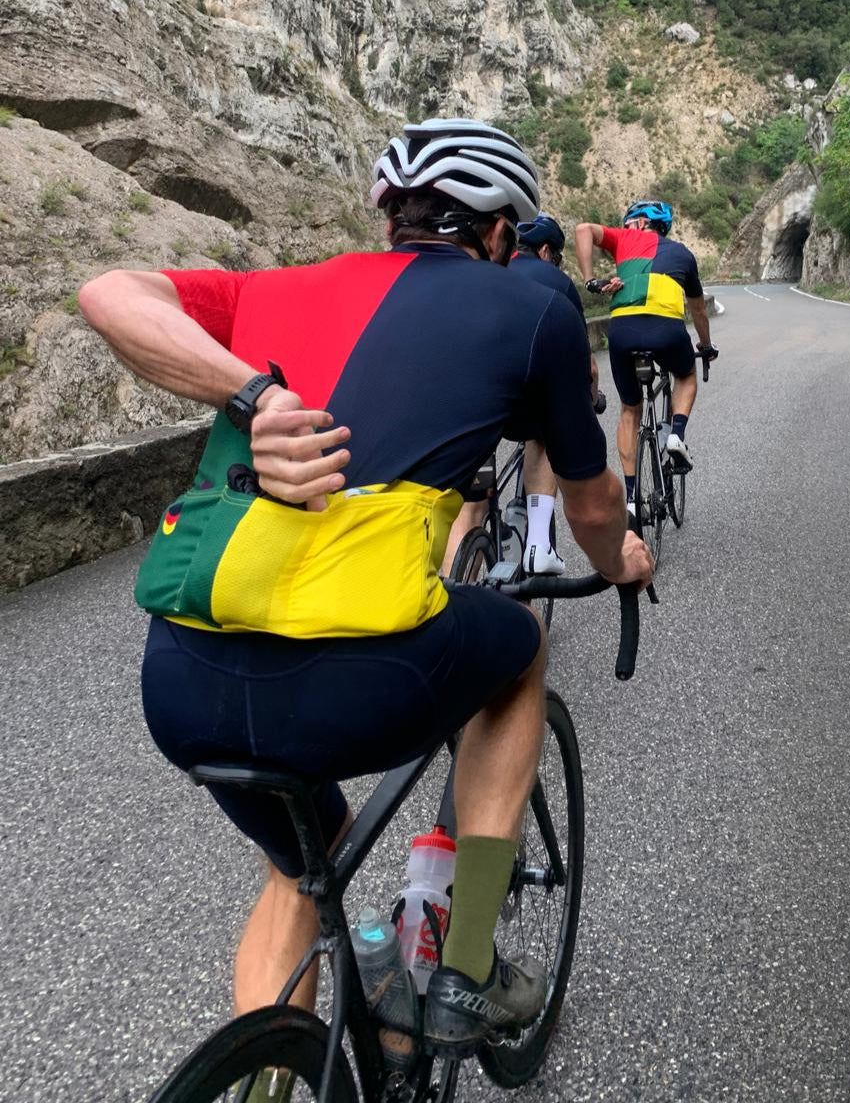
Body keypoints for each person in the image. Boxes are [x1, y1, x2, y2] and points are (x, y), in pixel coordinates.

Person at [79, 119, 653, 1068]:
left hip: (181, 685)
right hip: (360, 685)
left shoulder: (276, 287)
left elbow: (107, 291)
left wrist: (250, 396)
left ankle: (272, 1073)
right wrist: (624, 559)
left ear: (390, 215)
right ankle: (465, 965)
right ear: (504, 233)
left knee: (303, 863)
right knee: (516, 643)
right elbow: (591, 500)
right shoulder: (530, 309)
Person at [575, 200, 717, 511]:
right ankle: (676, 435)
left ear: (640, 224)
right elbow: (698, 310)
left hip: (622, 332)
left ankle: (630, 500)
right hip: (667, 330)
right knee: (686, 375)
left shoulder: (624, 239)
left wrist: (589, 281)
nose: (624, 228)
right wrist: (705, 347)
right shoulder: (683, 253)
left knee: (629, 410)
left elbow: (583, 229)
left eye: (629, 222)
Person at [507, 213, 602, 575]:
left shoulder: (490, 267)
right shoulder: (557, 282)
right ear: (546, 251)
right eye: (558, 257)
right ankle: (538, 546)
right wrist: (591, 400)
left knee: (473, 498)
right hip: (528, 388)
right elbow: (587, 366)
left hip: (482, 390)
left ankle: (461, 568)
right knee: (543, 437)